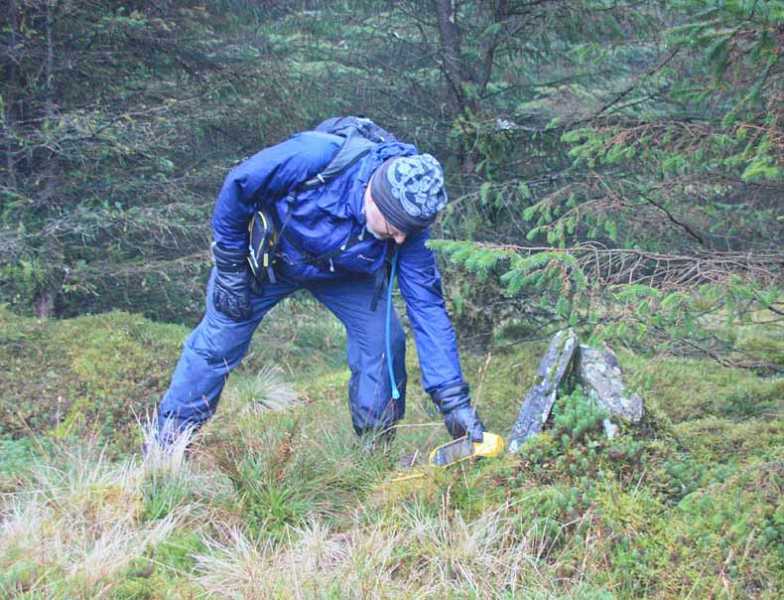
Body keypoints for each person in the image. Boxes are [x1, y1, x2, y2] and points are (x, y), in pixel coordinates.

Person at [154, 117, 485, 447]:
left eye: (407, 232)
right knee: (218, 340)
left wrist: (453, 401)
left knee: (384, 342)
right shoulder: (314, 156)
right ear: (374, 198)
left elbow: (427, 307)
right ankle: (170, 441)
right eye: (393, 228)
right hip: (273, 257)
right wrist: (229, 267)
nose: (399, 240)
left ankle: (376, 448)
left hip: (345, 272)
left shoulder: (409, 222)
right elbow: (238, 186)